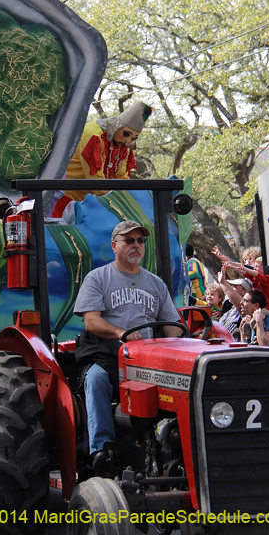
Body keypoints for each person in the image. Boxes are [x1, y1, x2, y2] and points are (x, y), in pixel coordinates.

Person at [73, 220, 181, 473]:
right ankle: (102, 449)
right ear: (114, 246)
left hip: (148, 359)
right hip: (108, 355)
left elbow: (172, 325)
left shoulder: (156, 284)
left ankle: (173, 442)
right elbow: (91, 321)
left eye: (140, 241)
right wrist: (120, 333)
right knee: (96, 379)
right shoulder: (98, 278)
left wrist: (178, 340)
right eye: (129, 241)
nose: (136, 245)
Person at [52, 101, 152, 217]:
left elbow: (122, 179)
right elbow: (95, 179)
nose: (128, 140)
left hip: (94, 205)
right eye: (126, 134)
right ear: (118, 126)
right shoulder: (93, 135)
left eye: (134, 138)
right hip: (65, 201)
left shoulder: (124, 146)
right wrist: (117, 204)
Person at [213, 247, 269, 315]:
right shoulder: (254, 276)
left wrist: (243, 268)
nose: (247, 262)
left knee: (254, 316)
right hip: (261, 307)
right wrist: (230, 264)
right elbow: (242, 269)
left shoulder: (268, 278)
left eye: (250, 259)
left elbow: (248, 269)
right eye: (246, 259)